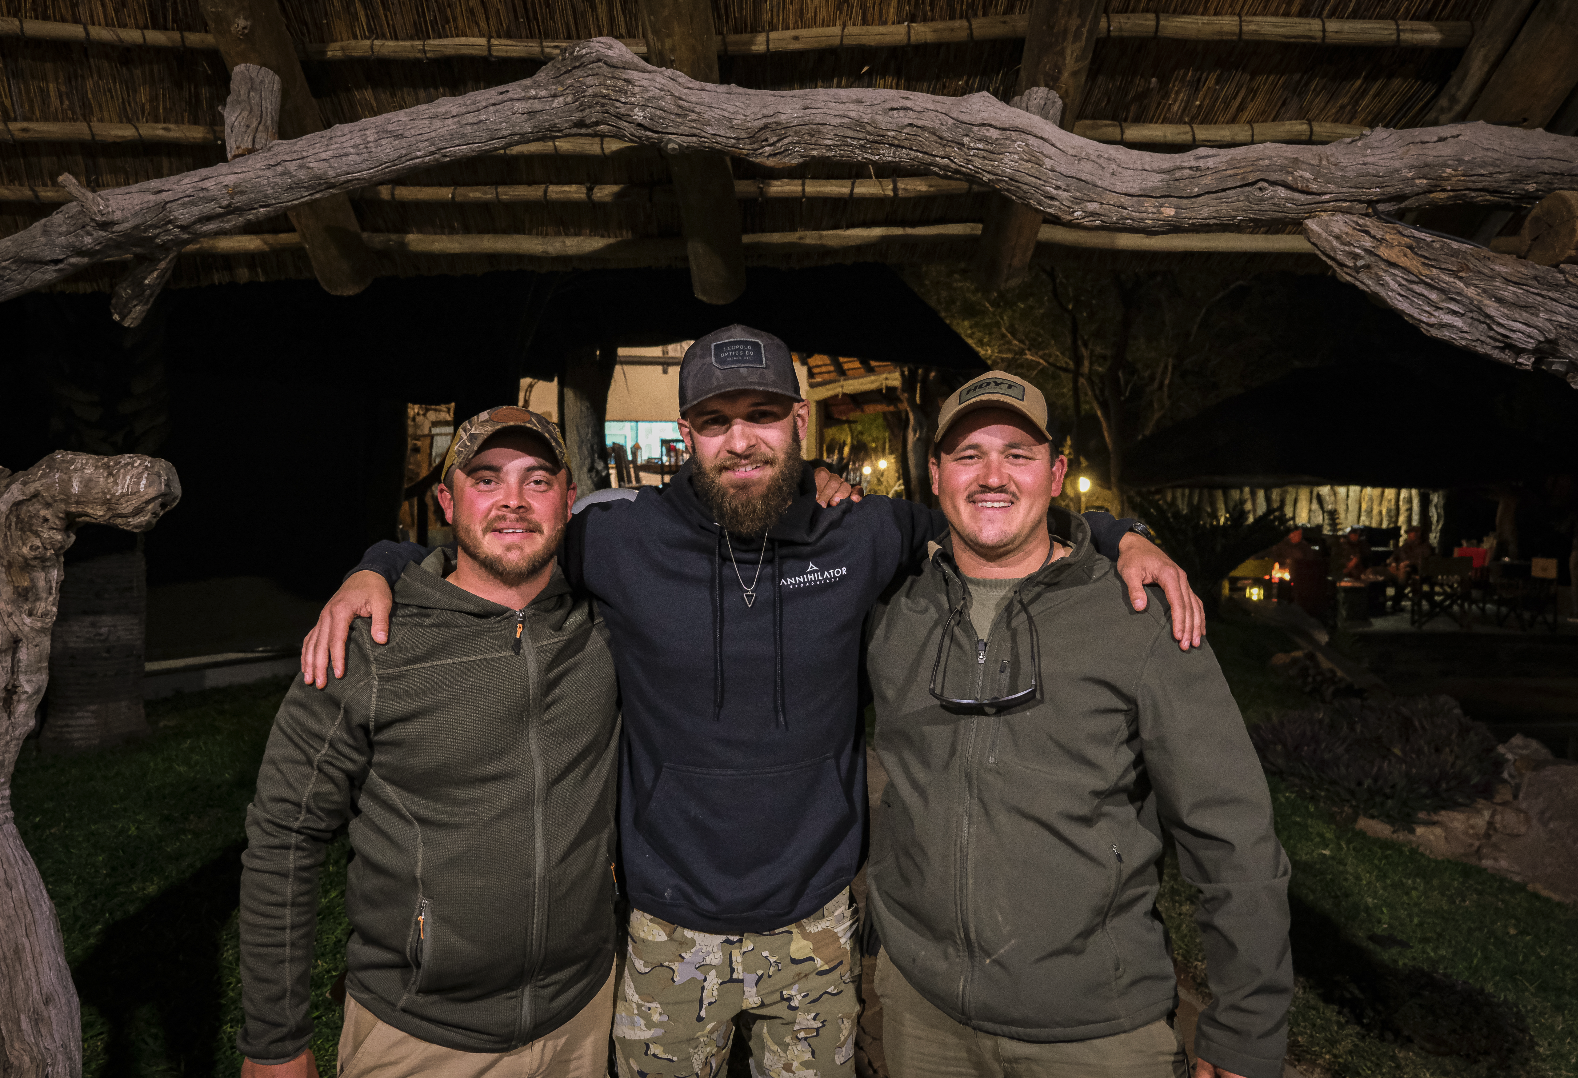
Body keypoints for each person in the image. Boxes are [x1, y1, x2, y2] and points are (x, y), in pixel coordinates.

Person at [304, 327, 1204, 1077]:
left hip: (816, 924)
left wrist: (1125, 536)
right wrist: (374, 567)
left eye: (763, 416)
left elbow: (995, 516)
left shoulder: (865, 532)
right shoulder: (616, 545)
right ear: (688, 432)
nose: (741, 439)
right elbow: (494, 547)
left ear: (799, 423)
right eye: (715, 420)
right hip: (664, 928)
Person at [862, 372, 1293, 1078]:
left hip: (1097, 1032)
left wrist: (1248, 1024)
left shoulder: (1136, 616)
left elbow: (1232, 828)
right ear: (934, 473)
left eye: (1018, 455)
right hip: (922, 1015)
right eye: (968, 455)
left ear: (1057, 474)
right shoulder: (892, 607)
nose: (992, 476)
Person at [238, 409, 621, 1078]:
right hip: (418, 1036)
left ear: (567, 499)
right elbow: (283, 836)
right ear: (446, 501)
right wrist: (274, 1043)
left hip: (583, 1017)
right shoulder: (369, 645)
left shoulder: (604, 627)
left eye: (537, 481)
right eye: (485, 480)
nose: (512, 501)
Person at [1385, 525, 1434, 610]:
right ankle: (1391, 603)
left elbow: (1422, 561)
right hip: (1401, 569)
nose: (1408, 536)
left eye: (1410, 534)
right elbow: (1395, 555)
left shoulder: (1424, 547)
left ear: (1417, 534)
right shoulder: (1406, 545)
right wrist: (1392, 562)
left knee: (1404, 575)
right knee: (1394, 573)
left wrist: (1408, 563)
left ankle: (1395, 603)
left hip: (1417, 571)